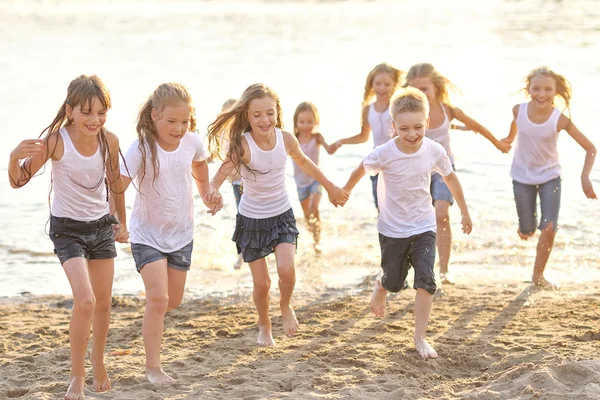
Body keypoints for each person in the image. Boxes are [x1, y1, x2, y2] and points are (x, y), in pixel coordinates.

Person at [8, 74, 128, 400]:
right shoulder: (56, 142)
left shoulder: (110, 141)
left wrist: (121, 222)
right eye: (87, 112)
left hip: (101, 227)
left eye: (101, 112)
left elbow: (116, 184)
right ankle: (77, 376)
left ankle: (98, 362)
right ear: (71, 110)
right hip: (67, 230)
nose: (95, 120)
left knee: (104, 303)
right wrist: (12, 158)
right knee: (86, 300)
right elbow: (18, 181)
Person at [206, 83, 348, 346]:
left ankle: (285, 306)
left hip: (282, 215)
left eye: (269, 113)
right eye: (257, 114)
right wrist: (212, 191)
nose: (264, 120)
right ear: (247, 116)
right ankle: (264, 324)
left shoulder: (286, 139)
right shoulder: (242, 146)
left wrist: (330, 187)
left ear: (277, 112)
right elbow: (219, 176)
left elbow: (305, 162)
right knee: (262, 285)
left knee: (287, 270)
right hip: (251, 221)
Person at [342, 87, 472, 359]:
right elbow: (361, 169)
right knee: (394, 282)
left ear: (427, 122)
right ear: (393, 127)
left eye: (417, 127)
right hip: (392, 229)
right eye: (404, 129)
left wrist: (464, 211)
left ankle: (420, 338)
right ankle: (381, 284)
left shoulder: (434, 150)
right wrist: (344, 191)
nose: (412, 134)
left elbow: (451, 179)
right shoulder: (384, 153)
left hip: (424, 226)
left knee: (426, 280)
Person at [120, 83, 221, 385]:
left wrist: (207, 193)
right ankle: (153, 367)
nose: (178, 128)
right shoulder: (141, 148)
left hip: (181, 234)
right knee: (159, 299)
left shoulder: (192, 142)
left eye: (184, 122)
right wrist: (115, 220)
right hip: (146, 235)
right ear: (154, 116)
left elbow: (200, 166)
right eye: (171, 121)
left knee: (172, 300)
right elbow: (118, 185)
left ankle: (153, 300)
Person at [404, 62, 509, 284]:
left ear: (435, 88)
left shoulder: (447, 110)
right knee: (416, 221)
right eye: (415, 90)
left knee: (441, 215)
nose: (420, 94)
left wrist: (498, 144)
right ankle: (415, 266)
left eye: (425, 89)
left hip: (443, 169)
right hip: (415, 172)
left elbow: (478, 126)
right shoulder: (408, 114)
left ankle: (444, 270)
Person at [500, 66, 597, 289]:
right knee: (527, 231)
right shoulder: (518, 110)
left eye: (547, 89)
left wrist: (585, 178)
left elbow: (590, 148)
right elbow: (514, 130)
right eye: (536, 88)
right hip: (521, 177)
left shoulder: (559, 119)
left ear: (556, 92)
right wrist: (506, 140)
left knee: (550, 226)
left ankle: (538, 276)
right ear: (528, 89)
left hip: (550, 178)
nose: (541, 94)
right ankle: (525, 228)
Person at [333, 63, 403, 210]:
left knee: (399, 207)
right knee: (381, 207)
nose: (382, 88)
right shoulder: (368, 109)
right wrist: (341, 142)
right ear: (371, 84)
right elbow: (363, 136)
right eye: (378, 83)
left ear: (394, 85)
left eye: (387, 84)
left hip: (397, 161)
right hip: (377, 162)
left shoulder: (398, 106)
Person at [292, 101, 337, 254]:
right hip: (300, 184)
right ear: (296, 122)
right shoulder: (293, 139)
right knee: (308, 216)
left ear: (315, 121)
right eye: (302, 122)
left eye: (310, 122)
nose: (306, 125)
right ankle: (314, 238)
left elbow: (329, 150)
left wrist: (335, 146)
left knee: (313, 207)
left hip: (315, 180)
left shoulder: (317, 137)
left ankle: (318, 242)